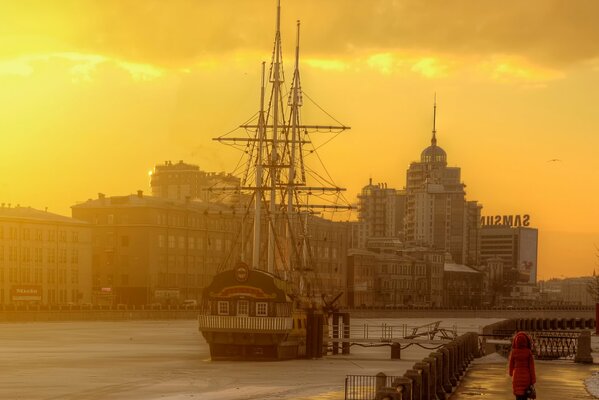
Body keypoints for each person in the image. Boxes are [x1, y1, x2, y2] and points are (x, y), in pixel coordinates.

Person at [509, 331, 536, 400]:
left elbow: (511, 364)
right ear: (526, 341)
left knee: (518, 395)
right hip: (526, 378)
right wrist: (533, 380)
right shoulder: (528, 352)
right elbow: (531, 368)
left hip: (516, 377)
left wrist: (511, 373)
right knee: (524, 396)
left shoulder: (514, 352)